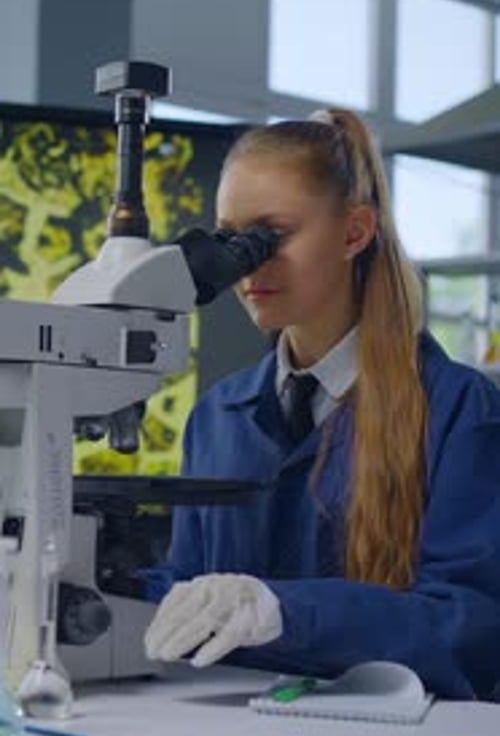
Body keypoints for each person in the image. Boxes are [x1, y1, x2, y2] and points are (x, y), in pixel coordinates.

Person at [143, 108, 500, 701]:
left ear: (354, 233)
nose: (245, 264)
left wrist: (287, 609)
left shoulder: (459, 408)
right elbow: (185, 592)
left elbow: (471, 628)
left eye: (270, 235)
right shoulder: (218, 414)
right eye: (231, 239)